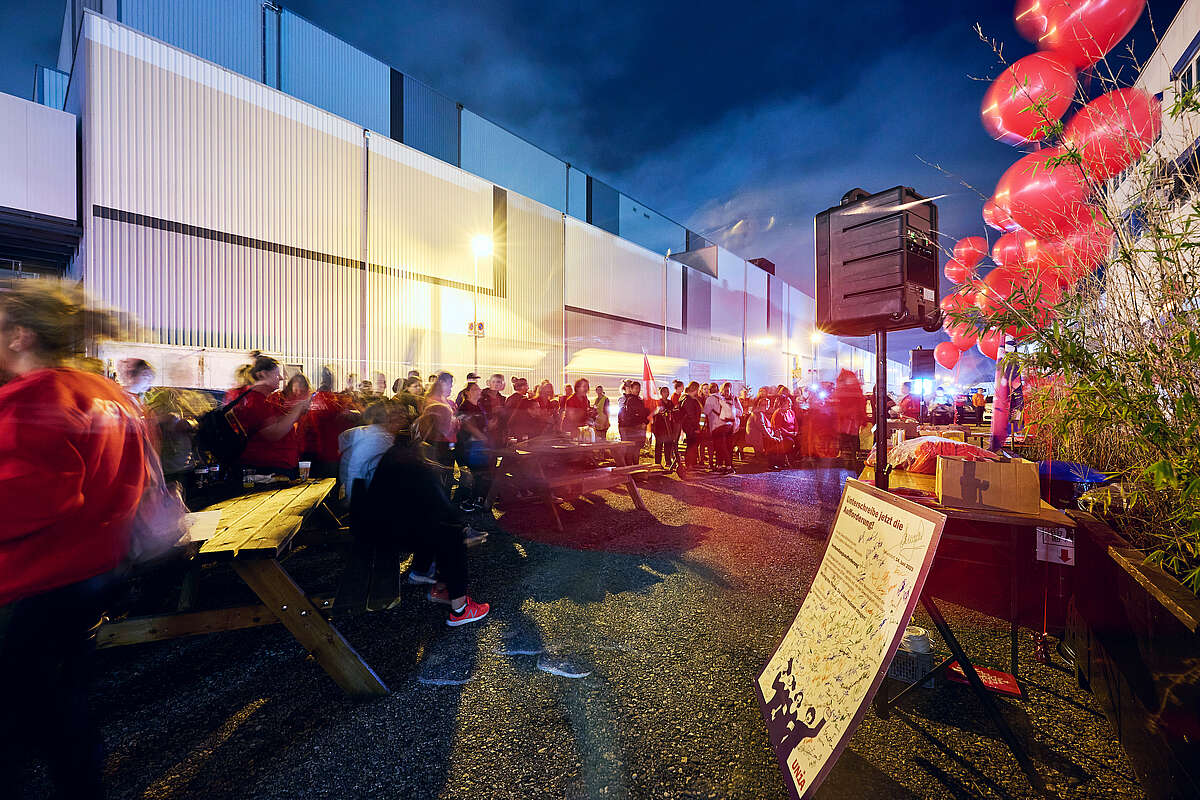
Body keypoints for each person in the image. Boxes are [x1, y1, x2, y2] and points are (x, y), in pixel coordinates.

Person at [0, 279, 147, 799]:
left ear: (19, 335)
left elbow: (30, 499)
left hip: (30, 584)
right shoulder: (109, 394)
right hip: (95, 574)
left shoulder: (32, 398)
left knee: (21, 720)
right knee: (61, 708)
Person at [362, 441, 490, 627]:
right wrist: (461, 530)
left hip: (377, 523)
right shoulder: (413, 458)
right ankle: (460, 610)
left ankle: (435, 583)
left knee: (442, 530)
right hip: (385, 531)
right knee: (453, 538)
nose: (456, 427)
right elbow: (439, 506)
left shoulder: (403, 450)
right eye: (451, 425)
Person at [229, 353, 311, 477]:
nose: (281, 378)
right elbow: (274, 432)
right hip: (268, 470)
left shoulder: (261, 399)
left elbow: (273, 423)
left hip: (273, 467)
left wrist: (295, 412)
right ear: (262, 374)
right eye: (277, 374)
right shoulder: (256, 400)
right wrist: (297, 409)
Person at [338, 402, 400, 503]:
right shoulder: (381, 440)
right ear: (388, 420)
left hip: (350, 488)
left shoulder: (358, 433)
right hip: (364, 495)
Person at [304, 367, 356, 478]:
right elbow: (345, 419)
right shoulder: (330, 399)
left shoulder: (315, 398)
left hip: (320, 452)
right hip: (330, 453)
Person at [415, 371, 459, 490]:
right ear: (441, 383)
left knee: (446, 475)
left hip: (446, 442)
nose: (451, 387)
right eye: (449, 384)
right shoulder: (434, 401)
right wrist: (453, 422)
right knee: (440, 476)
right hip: (437, 443)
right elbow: (441, 426)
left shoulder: (445, 401)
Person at [455, 383, 491, 509]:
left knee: (481, 472)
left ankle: (478, 498)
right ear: (467, 392)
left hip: (478, 444)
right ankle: (466, 500)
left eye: (478, 388)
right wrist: (482, 437)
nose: (479, 390)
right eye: (475, 389)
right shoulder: (464, 407)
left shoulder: (479, 406)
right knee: (472, 473)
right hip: (469, 445)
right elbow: (467, 425)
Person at [704, 382, 740, 475]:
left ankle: (729, 467)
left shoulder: (710, 399)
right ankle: (720, 466)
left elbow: (706, 411)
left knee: (720, 447)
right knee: (725, 447)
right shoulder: (722, 398)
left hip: (717, 426)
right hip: (728, 425)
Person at [617, 380, 649, 465]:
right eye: (635, 388)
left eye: (639, 388)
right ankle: (629, 467)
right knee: (629, 449)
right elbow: (630, 415)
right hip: (631, 428)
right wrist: (641, 421)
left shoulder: (638, 400)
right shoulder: (627, 400)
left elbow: (643, 413)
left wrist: (645, 421)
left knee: (636, 449)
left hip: (637, 427)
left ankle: (635, 466)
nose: (637, 390)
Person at [748, 395, 784, 470]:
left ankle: (777, 463)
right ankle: (771, 464)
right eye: (766, 405)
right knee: (772, 442)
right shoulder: (758, 414)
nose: (767, 407)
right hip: (757, 437)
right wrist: (771, 437)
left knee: (777, 438)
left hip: (762, 435)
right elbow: (762, 428)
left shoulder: (761, 413)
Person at [678, 381, 704, 477]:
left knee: (691, 444)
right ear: (695, 389)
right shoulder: (688, 400)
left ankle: (691, 464)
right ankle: (689, 464)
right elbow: (692, 415)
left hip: (689, 425)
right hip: (690, 426)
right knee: (691, 445)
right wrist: (696, 427)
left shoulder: (686, 398)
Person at [651, 385, 679, 470]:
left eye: (667, 392)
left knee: (668, 445)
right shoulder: (658, 402)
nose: (666, 394)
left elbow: (673, 412)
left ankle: (668, 461)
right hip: (659, 427)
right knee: (659, 445)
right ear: (661, 393)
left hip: (668, 427)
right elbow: (653, 413)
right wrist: (658, 411)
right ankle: (657, 463)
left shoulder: (670, 402)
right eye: (664, 392)